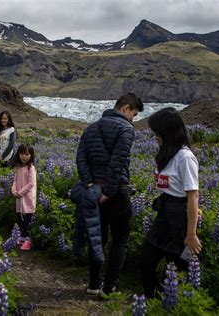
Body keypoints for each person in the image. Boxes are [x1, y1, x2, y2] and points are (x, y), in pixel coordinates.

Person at [76, 93, 144, 297]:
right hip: (116, 192)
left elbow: (81, 159)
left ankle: (94, 284)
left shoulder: (90, 128)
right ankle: (109, 287)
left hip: (93, 191)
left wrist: (90, 184)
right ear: (125, 108)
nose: (133, 118)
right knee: (120, 239)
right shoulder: (126, 129)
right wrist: (108, 191)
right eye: (134, 113)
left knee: (98, 237)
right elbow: (118, 163)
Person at [140, 107, 202, 298]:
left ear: (168, 131)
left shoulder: (185, 157)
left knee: (178, 267)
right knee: (145, 262)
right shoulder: (168, 154)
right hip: (165, 213)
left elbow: (193, 196)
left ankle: (175, 305)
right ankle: (154, 301)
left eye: (157, 132)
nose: (155, 136)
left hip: (179, 219)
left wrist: (191, 234)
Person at [11, 144, 37, 251]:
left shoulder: (31, 168)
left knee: (27, 219)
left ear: (31, 155)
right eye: (22, 154)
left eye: (27, 154)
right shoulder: (18, 167)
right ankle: (21, 237)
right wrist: (14, 191)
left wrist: (20, 193)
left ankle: (28, 240)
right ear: (18, 154)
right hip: (19, 197)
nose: (24, 156)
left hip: (27, 197)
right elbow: (15, 180)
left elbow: (31, 183)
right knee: (19, 218)